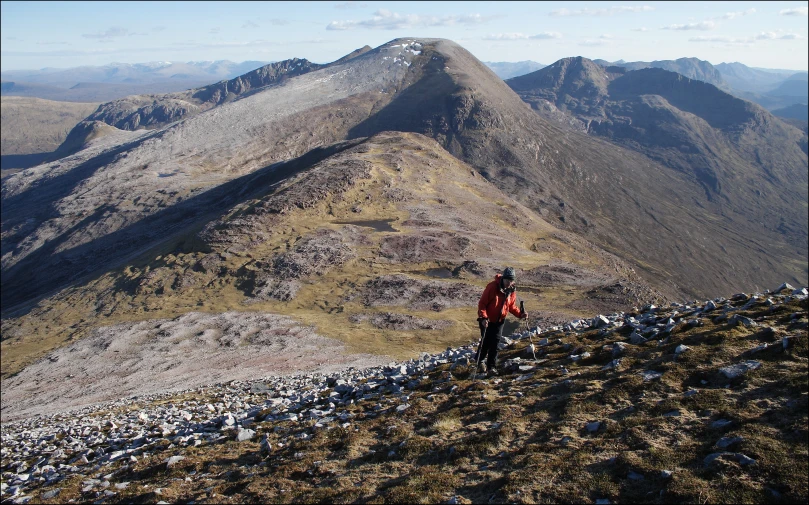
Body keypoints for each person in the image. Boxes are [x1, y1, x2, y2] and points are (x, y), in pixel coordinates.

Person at [474, 267, 528, 377]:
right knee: (486, 342)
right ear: (503, 278)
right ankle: (478, 362)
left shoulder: (512, 291)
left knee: (495, 343)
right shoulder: (492, 287)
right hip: (487, 320)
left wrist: (520, 314)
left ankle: (491, 368)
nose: (509, 283)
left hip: (499, 321)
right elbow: (482, 304)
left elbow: (511, 306)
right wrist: (483, 318)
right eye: (507, 280)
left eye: (511, 281)